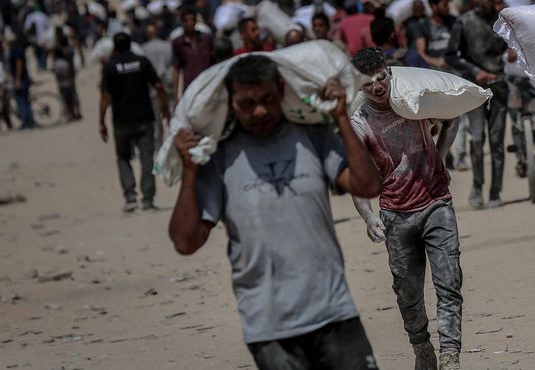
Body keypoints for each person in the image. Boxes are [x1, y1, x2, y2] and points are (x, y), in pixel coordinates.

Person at [168, 55, 382, 369]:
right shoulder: (218, 159)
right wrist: (189, 168)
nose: (259, 111)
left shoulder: (312, 137)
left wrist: (340, 120)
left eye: (267, 99)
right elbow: (186, 241)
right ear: (231, 101)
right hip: (268, 327)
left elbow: (367, 186)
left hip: (334, 312)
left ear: (282, 90)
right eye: (247, 103)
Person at [348, 49, 464, 370]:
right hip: (396, 215)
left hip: (436, 202)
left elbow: (452, 115)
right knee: (407, 293)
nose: (377, 86)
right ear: (360, 87)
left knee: (449, 281)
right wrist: (369, 217)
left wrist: (440, 155)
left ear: (389, 73)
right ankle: (422, 347)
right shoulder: (361, 124)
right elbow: (358, 175)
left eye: (381, 77)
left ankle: (451, 355)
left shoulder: (411, 100)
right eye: (368, 83)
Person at [447, 0, 510, 209]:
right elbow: (451, 55)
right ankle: (477, 186)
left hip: (499, 86)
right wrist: (475, 71)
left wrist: (512, 53)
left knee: (497, 142)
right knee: (476, 140)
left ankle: (495, 190)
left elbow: (515, 49)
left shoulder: (504, 23)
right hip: (474, 89)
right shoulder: (464, 22)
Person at [98, 33, 169, 212]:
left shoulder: (110, 66)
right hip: (144, 118)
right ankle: (148, 199)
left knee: (123, 158)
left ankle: (130, 197)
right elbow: (159, 86)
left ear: (114, 46)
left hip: (121, 120)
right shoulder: (142, 62)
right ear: (130, 45)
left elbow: (105, 96)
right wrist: (165, 108)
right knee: (147, 158)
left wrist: (101, 122)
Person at [171, 6, 212, 102]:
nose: (190, 23)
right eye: (186, 20)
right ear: (182, 22)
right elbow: (176, 68)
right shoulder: (178, 43)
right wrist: (176, 95)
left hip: (207, 85)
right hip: (189, 87)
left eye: (192, 20)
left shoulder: (206, 39)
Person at [414, 0, 456, 71]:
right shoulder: (423, 25)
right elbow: (420, 53)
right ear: (434, 6)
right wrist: (436, 62)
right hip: (436, 71)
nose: (448, 8)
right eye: (445, 5)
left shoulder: (454, 22)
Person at [52, 46, 81, 121]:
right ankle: (75, 113)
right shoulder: (66, 62)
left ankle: (69, 116)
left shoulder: (56, 64)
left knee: (65, 101)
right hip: (70, 83)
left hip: (62, 84)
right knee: (72, 99)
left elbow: (57, 74)